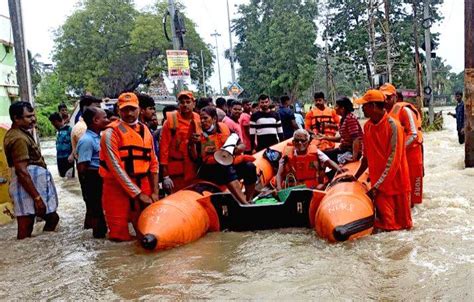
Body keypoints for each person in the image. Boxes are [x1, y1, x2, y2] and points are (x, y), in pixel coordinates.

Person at [99, 92, 159, 241]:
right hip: (116, 189)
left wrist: (155, 192)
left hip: (143, 183)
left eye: (132, 109)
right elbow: (116, 168)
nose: (129, 113)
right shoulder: (110, 133)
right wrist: (138, 194)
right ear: (119, 110)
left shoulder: (146, 131)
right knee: (119, 236)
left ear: (139, 109)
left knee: (146, 232)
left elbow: (153, 162)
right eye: (125, 109)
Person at [353, 90, 412, 231]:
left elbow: (394, 160)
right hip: (379, 188)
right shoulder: (367, 127)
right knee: (388, 227)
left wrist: (378, 186)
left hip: (398, 185)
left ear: (373, 106)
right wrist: (354, 177)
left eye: (364, 105)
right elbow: (365, 158)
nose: (362, 108)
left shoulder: (394, 126)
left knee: (405, 227)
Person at [4, 101, 59, 239]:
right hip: (26, 186)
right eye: (29, 116)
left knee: (52, 218)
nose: (33, 119)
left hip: (32, 184)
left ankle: (41, 249)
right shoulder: (18, 139)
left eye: (33, 115)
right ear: (16, 118)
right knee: (25, 228)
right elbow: (22, 171)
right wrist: (37, 197)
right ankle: (25, 255)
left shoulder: (22, 133)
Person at [189, 106, 257, 204]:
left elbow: (241, 144)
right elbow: (195, 158)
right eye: (201, 118)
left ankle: (249, 199)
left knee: (249, 167)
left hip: (228, 163)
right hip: (208, 170)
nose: (203, 121)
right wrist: (192, 144)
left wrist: (236, 149)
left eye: (205, 118)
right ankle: (243, 203)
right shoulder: (198, 133)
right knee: (225, 167)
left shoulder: (224, 129)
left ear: (214, 118)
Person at [380, 83, 424, 206]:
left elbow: (413, 134)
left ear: (394, 97)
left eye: (389, 97)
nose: (386, 100)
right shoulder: (383, 113)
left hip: (412, 152)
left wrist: (398, 149)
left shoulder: (404, 110)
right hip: (397, 155)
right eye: (384, 98)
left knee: (413, 188)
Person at [76, 107, 109, 238]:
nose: (107, 120)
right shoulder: (87, 140)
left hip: (99, 177)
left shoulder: (98, 137)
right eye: (104, 117)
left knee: (100, 209)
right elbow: (82, 166)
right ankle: (98, 237)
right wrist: (87, 187)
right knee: (96, 210)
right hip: (93, 178)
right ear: (95, 120)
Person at [159, 91, 200, 193]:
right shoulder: (171, 121)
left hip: (194, 170)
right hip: (177, 172)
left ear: (193, 104)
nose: (185, 105)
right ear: (178, 104)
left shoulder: (198, 118)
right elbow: (164, 148)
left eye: (188, 102)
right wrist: (165, 176)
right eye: (182, 102)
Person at [276, 129, 342, 190]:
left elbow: (329, 161)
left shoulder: (316, 152)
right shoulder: (287, 155)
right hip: (293, 187)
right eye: (297, 140)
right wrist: (279, 188)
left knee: (320, 187)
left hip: (313, 187)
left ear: (308, 141)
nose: (299, 143)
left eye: (302, 140)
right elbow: (279, 173)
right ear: (293, 142)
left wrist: (339, 169)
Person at [319, 97, 363, 165]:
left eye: (336, 106)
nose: (334, 108)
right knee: (322, 155)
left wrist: (354, 157)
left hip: (350, 151)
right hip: (344, 149)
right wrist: (324, 137)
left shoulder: (350, 119)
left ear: (342, 108)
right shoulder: (343, 119)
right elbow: (342, 138)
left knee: (326, 159)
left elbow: (356, 139)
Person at [71, 95, 102, 162]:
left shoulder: (90, 125)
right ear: (86, 109)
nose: (101, 111)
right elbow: (84, 163)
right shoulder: (82, 128)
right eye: (97, 108)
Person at [48, 112, 74, 178]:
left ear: (56, 121)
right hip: (59, 158)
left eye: (52, 123)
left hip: (68, 158)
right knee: (62, 178)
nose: (52, 124)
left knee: (69, 179)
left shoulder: (69, 129)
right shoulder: (58, 131)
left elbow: (75, 144)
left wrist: (72, 155)